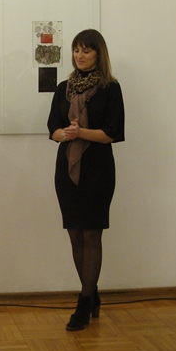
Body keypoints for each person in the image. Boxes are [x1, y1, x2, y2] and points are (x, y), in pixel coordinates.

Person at [46, 29, 125, 331]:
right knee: (74, 234)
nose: (79, 55)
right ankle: (92, 294)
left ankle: (84, 301)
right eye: (76, 50)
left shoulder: (110, 88)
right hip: (67, 168)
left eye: (86, 50)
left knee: (92, 234)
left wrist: (81, 133)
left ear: (98, 54)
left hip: (97, 169)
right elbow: (53, 129)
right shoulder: (63, 88)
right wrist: (65, 134)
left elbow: (112, 133)